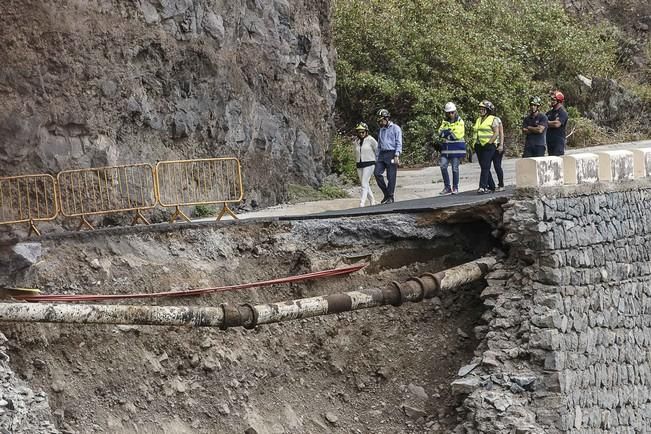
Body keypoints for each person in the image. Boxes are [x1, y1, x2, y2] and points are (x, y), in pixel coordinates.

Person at [436, 102, 466, 195]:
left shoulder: (460, 121)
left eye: (452, 112)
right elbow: (440, 132)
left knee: (455, 169)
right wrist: (448, 133)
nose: (450, 114)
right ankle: (447, 187)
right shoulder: (444, 122)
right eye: (448, 113)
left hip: (456, 150)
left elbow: (457, 135)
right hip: (446, 150)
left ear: (455, 111)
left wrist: (447, 133)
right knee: (443, 166)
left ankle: (455, 187)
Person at [374, 109, 402, 204]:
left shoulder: (395, 128)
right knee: (377, 173)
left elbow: (398, 142)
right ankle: (386, 193)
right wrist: (377, 157)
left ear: (386, 118)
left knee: (391, 176)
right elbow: (379, 144)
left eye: (381, 120)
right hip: (382, 153)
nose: (380, 122)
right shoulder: (381, 130)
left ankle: (390, 196)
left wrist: (397, 155)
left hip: (391, 152)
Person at [472, 100, 500, 194]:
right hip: (479, 146)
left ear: (488, 110)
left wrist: (490, 142)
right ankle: (491, 186)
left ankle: (482, 187)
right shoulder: (478, 119)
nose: (481, 110)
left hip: (489, 146)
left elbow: (496, 133)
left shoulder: (493, 119)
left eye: (483, 109)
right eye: (480, 109)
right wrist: (474, 144)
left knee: (485, 166)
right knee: (484, 166)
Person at [353, 122, 378, 207]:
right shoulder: (356, 141)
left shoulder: (371, 139)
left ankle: (362, 203)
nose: (361, 134)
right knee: (365, 183)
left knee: (364, 183)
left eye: (363, 132)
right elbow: (355, 152)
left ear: (366, 132)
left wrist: (378, 161)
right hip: (359, 164)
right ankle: (372, 200)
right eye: (359, 132)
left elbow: (377, 150)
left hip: (370, 163)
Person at [546, 91, 569, 156]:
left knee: (558, 160)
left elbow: (557, 124)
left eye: (553, 99)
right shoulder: (548, 113)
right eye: (551, 99)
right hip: (549, 141)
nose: (551, 101)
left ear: (559, 100)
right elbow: (542, 123)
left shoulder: (562, 112)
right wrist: (550, 123)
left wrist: (547, 122)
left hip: (558, 142)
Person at [490, 106, 505, 192]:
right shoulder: (484, 119)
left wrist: (501, 145)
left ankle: (501, 184)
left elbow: (501, 133)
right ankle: (491, 185)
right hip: (490, 145)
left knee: (497, 165)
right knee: (486, 166)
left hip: (497, 144)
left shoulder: (496, 119)